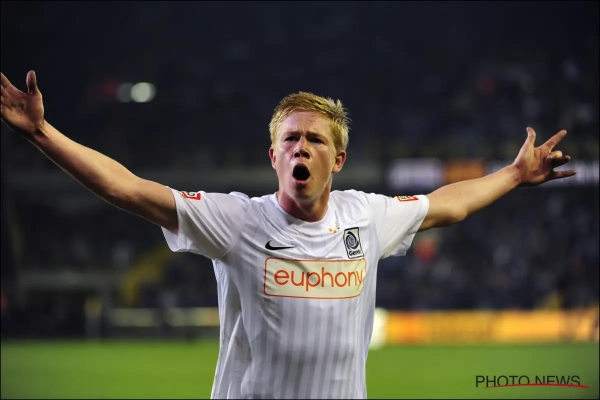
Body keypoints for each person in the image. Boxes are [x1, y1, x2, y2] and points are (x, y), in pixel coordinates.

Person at [0, 71, 576, 399]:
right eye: (291, 139)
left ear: (338, 159)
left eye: (315, 139)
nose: (302, 147)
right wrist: (43, 133)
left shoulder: (366, 216)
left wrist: (513, 174)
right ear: (273, 156)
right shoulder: (237, 221)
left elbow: (449, 205)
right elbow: (128, 189)